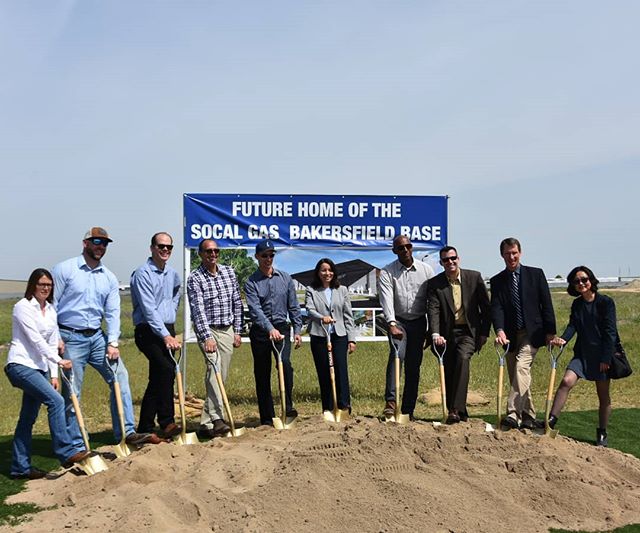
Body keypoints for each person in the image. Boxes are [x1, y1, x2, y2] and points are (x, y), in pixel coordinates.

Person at [52, 227, 161, 449]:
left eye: (104, 243)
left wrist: (112, 342)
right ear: (86, 243)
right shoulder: (65, 269)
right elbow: (52, 305)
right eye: (96, 241)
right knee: (72, 390)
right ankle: (77, 443)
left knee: (120, 377)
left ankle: (126, 432)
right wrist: (55, 338)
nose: (101, 246)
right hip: (69, 337)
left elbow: (112, 313)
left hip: (97, 338)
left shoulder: (109, 277)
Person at [4, 269, 90, 479]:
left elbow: (53, 342)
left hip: (41, 367)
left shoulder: (51, 310)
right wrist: (59, 361)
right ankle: (66, 451)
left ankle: (20, 468)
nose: (45, 288)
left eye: (49, 285)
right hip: (20, 365)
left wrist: (53, 374)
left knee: (28, 418)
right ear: (33, 285)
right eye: (41, 284)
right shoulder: (22, 307)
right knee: (56, 402)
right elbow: (36, 340)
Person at [490, 237, 556, 430]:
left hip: (532, 333)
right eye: (507, 253)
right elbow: (497, 309)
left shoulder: (535, 274)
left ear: (520, 253)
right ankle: (528, 416)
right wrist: (500, 331)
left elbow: (547, 304)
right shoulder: (497, 281)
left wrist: (550, 332)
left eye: (514, 253)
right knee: (517, 376)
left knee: (521, 367)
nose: (511, 257)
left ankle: (512, 413)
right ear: (502, 255)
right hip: (510, 335)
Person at [549, 266, 615, 447]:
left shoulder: (605, 302)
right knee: (566, 381)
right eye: (577, 281)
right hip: (582, 354)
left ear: (591, 280)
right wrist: (563, 339)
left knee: (603, 395)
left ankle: (602, 432)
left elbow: (611, 332)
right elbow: (573, 326)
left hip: (602, 356)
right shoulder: (577, 304)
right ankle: (551, 421)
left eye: (584, 279)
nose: (581, 283)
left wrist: (606, 358)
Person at [187, 239, 243, 438]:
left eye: (216, 251)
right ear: (200, 254)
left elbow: (237, 302)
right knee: (214, 370)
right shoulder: (195, 278)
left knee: (222, 374)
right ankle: (218, 419)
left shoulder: (228, 272)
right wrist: (206, 337)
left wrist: (237, 331)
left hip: (227, 329)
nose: (213, 254)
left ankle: (205, 422)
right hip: (208, 331)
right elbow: (198, 310)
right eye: (208, 251)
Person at [427, 246, 490, 423]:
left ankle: (454, 410)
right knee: (449, 369)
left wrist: (484, 333)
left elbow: (486, 308)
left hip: (468, 332)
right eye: (446, 260)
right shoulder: (435, 283)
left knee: (462, 359)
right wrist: (435, 334)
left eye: (453, 258)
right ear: (441, 263)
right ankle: (459, 411)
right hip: (445, 334)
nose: (450, 262)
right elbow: (433, 310)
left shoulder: (474, 277)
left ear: (458, 259)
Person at [245, 239, 302, 425]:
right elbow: (255, 310)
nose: (268, 259)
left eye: (271, 255)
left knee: (284, 364)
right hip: (261, 332)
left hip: (282, 328)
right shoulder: (251, 282)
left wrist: (298, 330)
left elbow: (293, 306)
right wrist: (269, 329)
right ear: (257, 257)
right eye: (264, 255)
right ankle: (267, 417)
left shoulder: (285, 278)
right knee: (262, 373)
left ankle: (288, 406)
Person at [130, 232, 182, 439]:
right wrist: (165, 335)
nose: (165, 250)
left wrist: (170, 322)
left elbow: (176, 294)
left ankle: (146, 426)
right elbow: (149, 309)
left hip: (166, 328)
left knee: (160, 376)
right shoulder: (142, 274)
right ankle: (167, 421)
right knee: (166, 369)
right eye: (161, 246)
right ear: (152, 248)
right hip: (148, 330)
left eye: (169, 247)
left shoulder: (172, 274)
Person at [378, 235, 435, 420]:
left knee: (414, 365)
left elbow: (432, 302)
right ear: (395, 251)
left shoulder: (426, 270)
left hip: (419, 322)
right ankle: (391, 403)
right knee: (397, 357)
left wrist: (431, 329)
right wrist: (392, 324)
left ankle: (408, 409)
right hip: (399, 321)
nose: (405, 250)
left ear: (412, 248)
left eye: (408, 246)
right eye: (400, 248)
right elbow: (386, 299)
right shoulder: (387, 272)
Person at [305, 258, 357, 414]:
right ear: (318, 273)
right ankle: (328, 408)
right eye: (323, 270)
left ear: (334, 272)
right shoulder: (311, 290)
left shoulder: (342, 290)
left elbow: (348, 315)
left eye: (329, 270)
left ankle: (344, 405)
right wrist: (322, 318)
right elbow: (309, 309)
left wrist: (352, 339)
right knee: (324, 371)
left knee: (341, 370)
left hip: (339, 335)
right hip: (320, 335)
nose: (327, 273)